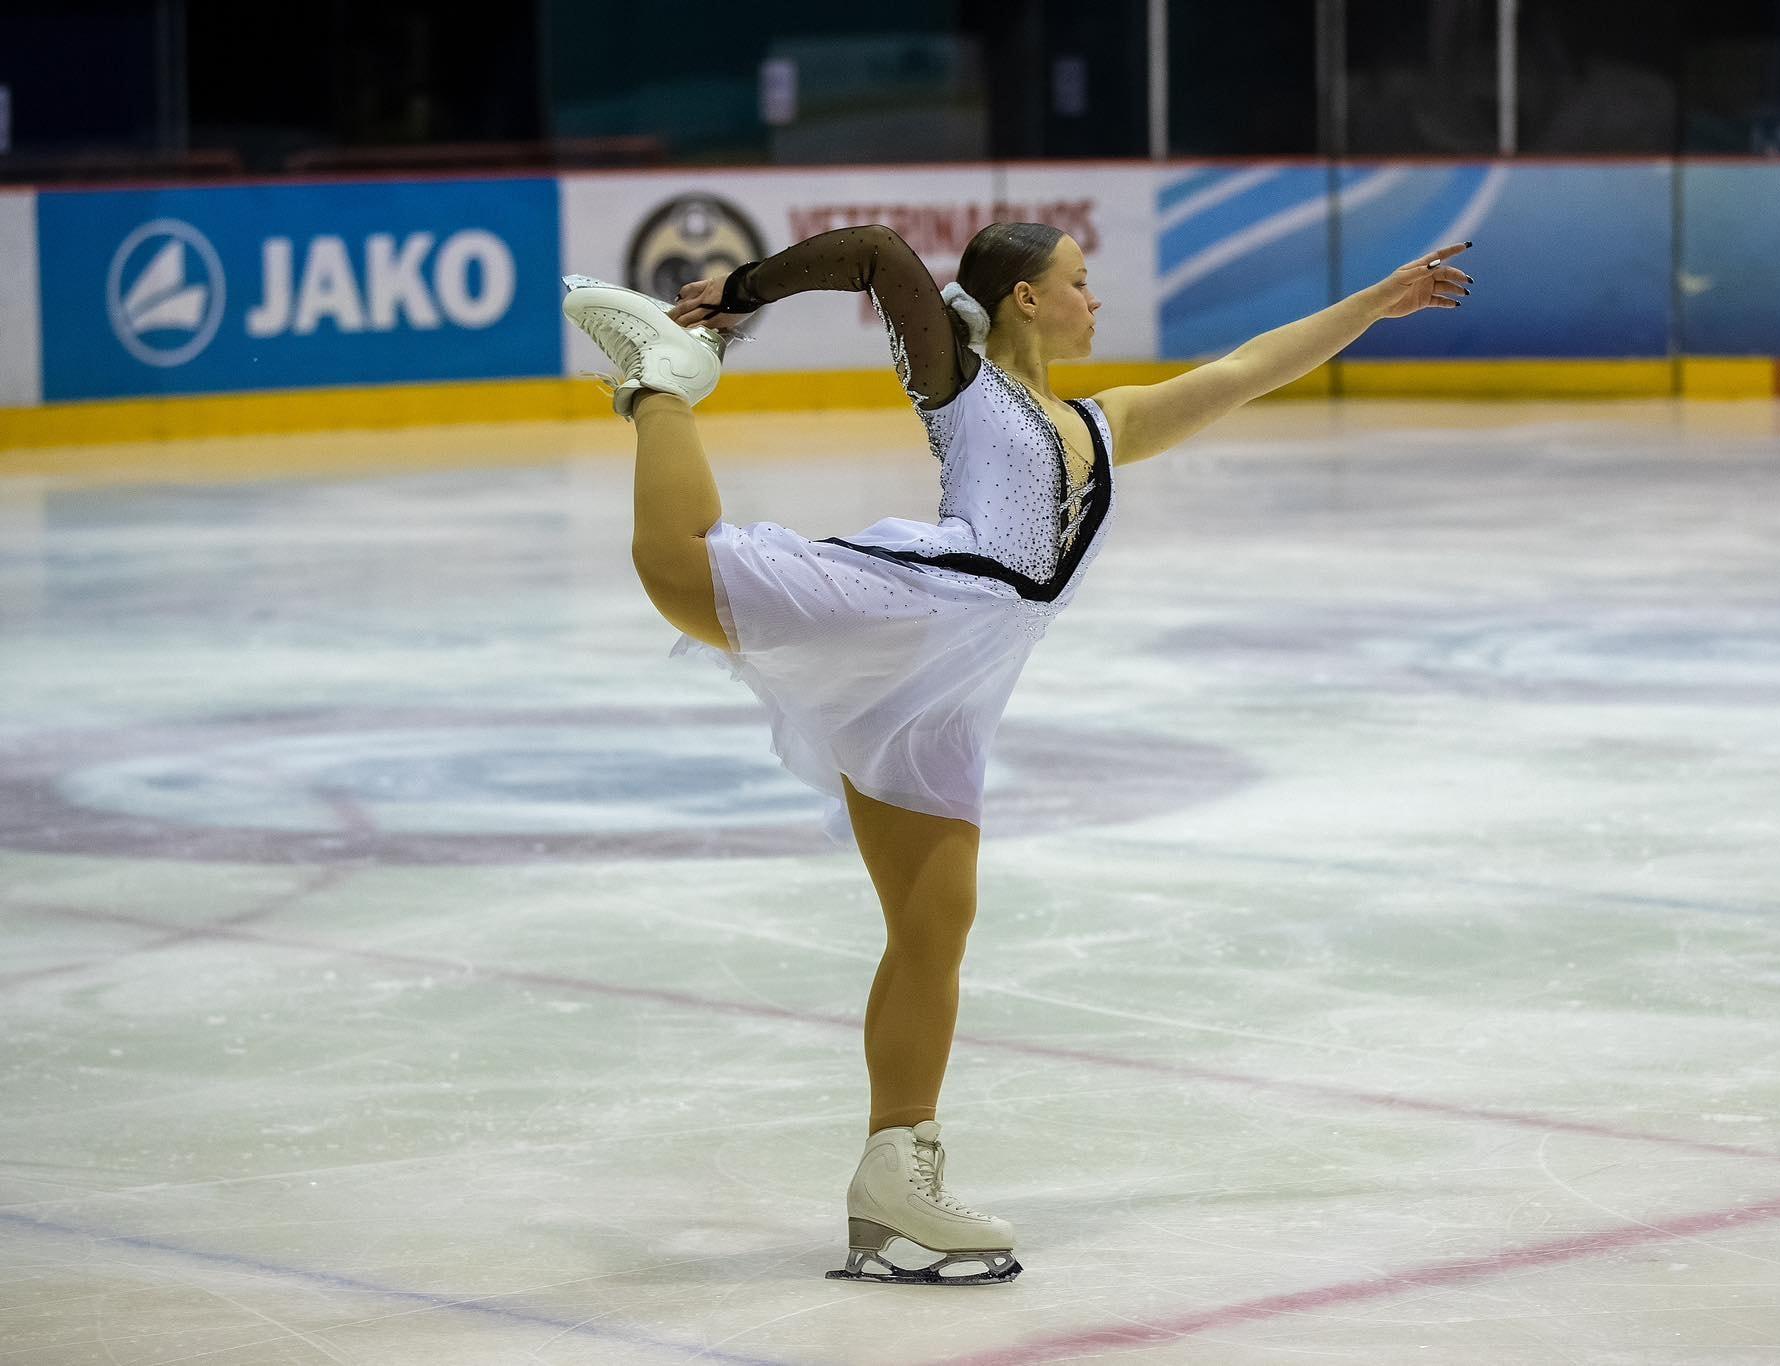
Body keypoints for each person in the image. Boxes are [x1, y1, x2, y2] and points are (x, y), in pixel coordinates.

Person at [561, 224, 1471, 1285]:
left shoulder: (1104, 425)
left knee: (933, 922)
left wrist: (1374, 303)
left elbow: (1245, 369)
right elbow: (880, 255)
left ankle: (895, 1178)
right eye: (1079, 282)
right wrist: (744, 293)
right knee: (681, 571)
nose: (1096, 300)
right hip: (918, 605)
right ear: (1026, 300)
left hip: (958, 685)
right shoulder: (964, 391)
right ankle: (662, 381)